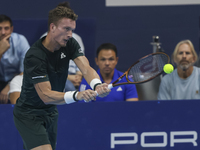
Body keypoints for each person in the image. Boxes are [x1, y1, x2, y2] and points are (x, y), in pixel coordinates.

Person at [13, 5, 110, 150]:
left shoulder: (70, 43)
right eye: (66, 29)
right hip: (29, 114)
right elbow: (45, 95)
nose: (70, 34)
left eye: (72, 30)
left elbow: (85, 68)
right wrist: (78, 95)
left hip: (51, 112)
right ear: (52, 27)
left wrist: (97, 85)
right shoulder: (35, 56)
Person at [40, 1, 84, 91]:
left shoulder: (76, 39)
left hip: (74, 76)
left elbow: (82, 62)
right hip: (58, 77)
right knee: (68, 87)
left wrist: (78, 77)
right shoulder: (45, 39)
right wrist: (68, 77)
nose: (69, 35)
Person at [0, 14, 30, 104]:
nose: (3, 32)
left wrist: (9, 85)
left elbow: (27, 69)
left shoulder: (20, 40)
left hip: (15, 79)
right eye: (0, 28)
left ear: (11, 29)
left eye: (6, 28)